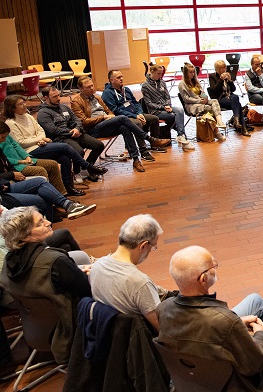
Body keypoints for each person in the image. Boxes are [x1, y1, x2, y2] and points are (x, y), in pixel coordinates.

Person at [156, 246, 263, 392]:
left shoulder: (163, 309)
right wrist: (261, 334)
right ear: (203, 279)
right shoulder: (224, 321)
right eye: (213, 266)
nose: (215, 267)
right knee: (255, 301)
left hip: (193, 381)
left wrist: (235, 324)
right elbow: (256, 363)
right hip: (232, 385)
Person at [0, 207, 93, 364]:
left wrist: (74, 271)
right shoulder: (55, 261)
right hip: (66, 327)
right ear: (25, 236)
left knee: (79, 259)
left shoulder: (10, 261)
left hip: (35, 328)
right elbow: (88, 290)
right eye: (40, 223)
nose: (49, 222)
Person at [88, 215, 170, 331]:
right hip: (137, 340)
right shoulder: (140, 282)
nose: (151, 251)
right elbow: (162, 330)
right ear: (143, 245)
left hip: (109, 333)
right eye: (153, 247)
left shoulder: (96, 267)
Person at [71, 76, 170, 173]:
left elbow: (109, 111)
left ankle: (136, 159)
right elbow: (83, 121)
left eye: (92, 86)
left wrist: (109, 116)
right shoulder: (76, 101)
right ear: (80, 88)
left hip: (106, 124)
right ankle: (149, 139)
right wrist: (103, 117)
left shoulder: (97, 97)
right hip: (92, 129)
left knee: (124, 127)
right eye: (88, 87)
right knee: (122, 118)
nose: (92, 88)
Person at [4, 96, 107, 186]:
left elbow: (40, 130)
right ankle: (87, 166)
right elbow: (21, 142)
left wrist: (41, 139)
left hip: (41, 144)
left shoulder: (28, 116)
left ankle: (68, 186)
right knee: (65, 147)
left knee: (65, 158)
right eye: (20, 104)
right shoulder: (11, 123)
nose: (25, 105)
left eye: (24, 102)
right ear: (12, 108)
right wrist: (39, 140)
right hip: (28, 151)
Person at [0, 123, 76, 196]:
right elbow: (5, 160)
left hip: (23, 160)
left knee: (52, 164)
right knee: (40, 170)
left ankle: (61, 194)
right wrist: (20, 161)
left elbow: (16, 145)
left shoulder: (5, 132)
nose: (4, 139)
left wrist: (26, 156)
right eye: (3, 137)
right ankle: (49, 200)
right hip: (16, 165)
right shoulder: (9, 124)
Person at [102, 70, 166, 156]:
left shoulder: (126, 89)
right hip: (123, 118)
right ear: (111, 80)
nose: (121, 79)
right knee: (137, 123)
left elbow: (136, 103)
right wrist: (135, 116)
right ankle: (143, 150)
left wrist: (139, 113)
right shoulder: (107, 93)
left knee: (154, 119)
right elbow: (115, 110)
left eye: (121, 76)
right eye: (118, 77)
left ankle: (154, 145)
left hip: (135, 114)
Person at [141, 63, 196, 147]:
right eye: (158, 74)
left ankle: (181, 135)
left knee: (179, 110)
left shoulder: (162, 82)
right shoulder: (145, 86)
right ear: (152, 72)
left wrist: (168, 106)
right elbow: (149, 104)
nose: (160, 76)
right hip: (155, 111)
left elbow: (167, 97)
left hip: (166, 108)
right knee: (175, 116)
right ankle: (182, 135)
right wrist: (163, 107)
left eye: (161, 74)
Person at [178, 63, 226, 142]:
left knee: (214, 100)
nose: (193, 74)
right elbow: (186, 99)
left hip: (201, 101)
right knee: (210, 108)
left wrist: (205, 98)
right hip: (192, 105)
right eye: (190, 72)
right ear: (186, 73)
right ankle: (217, 132)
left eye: (193, 72)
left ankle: (220, 122)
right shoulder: (182, 84)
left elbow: (202, 92)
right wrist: (199, 101)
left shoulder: (196, 82)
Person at [208, 60, 251, 136]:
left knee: (236, 99)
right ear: (217, 69)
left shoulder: (228, 75)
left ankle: (237, 120)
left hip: (230, 98)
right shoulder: (212, 76)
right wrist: (221, 80)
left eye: (224, 68)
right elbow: (213, 91)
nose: (223, 70)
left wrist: (230, 80)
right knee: (238, 103)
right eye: (221, 68)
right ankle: (242, 127)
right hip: (220, 99)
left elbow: (233, 89)